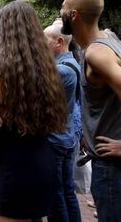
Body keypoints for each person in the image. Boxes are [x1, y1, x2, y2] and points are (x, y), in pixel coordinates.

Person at [0, 1, 67, 221]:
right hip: (43, 159)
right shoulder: (49, 69)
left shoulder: (5, 72)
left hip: (16, 167)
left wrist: (2, 110)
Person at [61, 0, 121, 221]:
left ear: (73, 14)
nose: (60, 10)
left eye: (64, 5)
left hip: (111, 168)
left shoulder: (97, 53)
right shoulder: (109, 39)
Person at [44, 23, 81, 222]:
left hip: (56, 140)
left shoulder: (61, 70)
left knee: (55, 196)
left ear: (59, 42)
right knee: (67, 192)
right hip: (67, 137)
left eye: (44, 41)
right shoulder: (73, 63)